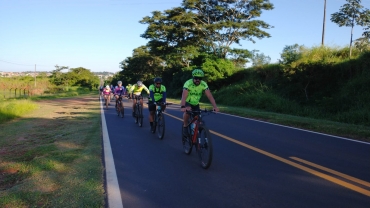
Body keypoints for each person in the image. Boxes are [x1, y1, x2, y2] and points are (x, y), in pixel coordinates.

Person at [180, 69, 219, 136]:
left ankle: (194, 133)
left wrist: (215, 106)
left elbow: (209, 96)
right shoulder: (188, 83)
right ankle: (185, 125)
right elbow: (184, 96)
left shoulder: (203, 84)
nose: (198, 80)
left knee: (197, 118)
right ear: (193, 77)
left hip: (196, 103)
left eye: (200, 78)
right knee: (188, 112)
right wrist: (183, 106)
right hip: (187, 101)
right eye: (196, 78)